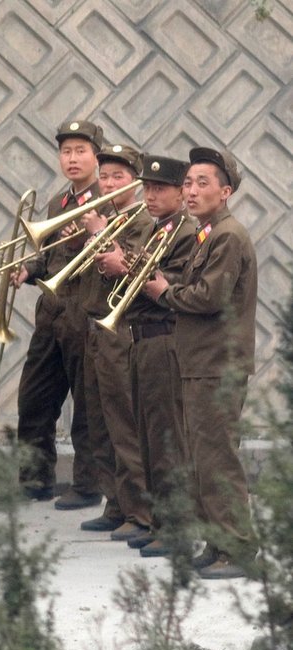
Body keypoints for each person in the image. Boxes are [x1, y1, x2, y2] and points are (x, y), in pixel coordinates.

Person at [143, 148, 257, 579]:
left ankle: (238, 549)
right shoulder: (210, 233)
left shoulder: (227, 235)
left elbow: (209, 297)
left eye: (202, 183)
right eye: (188, 183)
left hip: (217, 363)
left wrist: (162, 292)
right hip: (200, 361)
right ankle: (218, 543)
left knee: (217, 458)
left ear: (225, 192)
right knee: (203, 458)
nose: (191, 190)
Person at [11, 120, 104, 510]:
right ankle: (34, 480)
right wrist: (30, 270)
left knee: (86, 403)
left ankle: (86, 485)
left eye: (81, 150)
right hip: (51, 313)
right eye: (66, 152)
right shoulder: (57, 204)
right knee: (33, 398)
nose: (72, 159)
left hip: (85, 315)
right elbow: (51, 259)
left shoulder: (108, 202)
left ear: (96, 155)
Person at [113, 154, 194, 554]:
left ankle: (176, 527)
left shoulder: (186, 232)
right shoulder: (155, 228)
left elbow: (174, 284)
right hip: (140, 339)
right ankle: (158, 520)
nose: (150, 195)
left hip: (164, 338)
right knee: (146, 436)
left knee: (167, 438)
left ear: (181, 192)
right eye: (146, 188)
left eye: (159, 189)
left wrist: (128, 267)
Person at [76, 144, 152, 536]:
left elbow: (126, 267)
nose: (107, 183)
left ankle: (139, 511)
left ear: (136, 182)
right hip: (94, 327)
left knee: (125, 422)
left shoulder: (142, 220)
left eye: (117, 176)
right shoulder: (104, 217)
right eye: (104, 176)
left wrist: (99, 235)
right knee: (99, 422)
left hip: (121, 331)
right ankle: (115, 501)